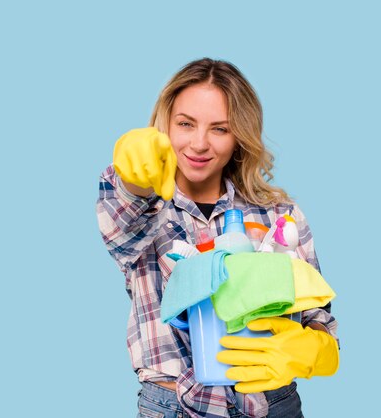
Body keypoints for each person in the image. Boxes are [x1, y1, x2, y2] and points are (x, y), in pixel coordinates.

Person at [96, 58, 339, 418]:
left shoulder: (279, 214)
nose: (199, 143)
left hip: (273, 404)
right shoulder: (143, 208)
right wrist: (135, 179)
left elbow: (316, 315)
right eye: (185, 124)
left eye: (220, 129)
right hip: (172, 406)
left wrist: (314, 347)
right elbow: (124, 216)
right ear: (165, 126)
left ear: (240, 135)